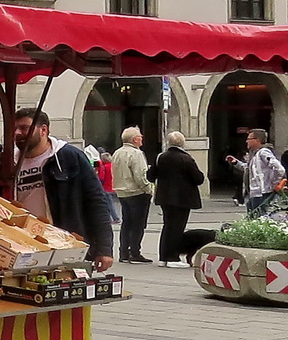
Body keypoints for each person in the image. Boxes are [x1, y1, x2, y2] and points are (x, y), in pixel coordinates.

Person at [12, 110, 116, 271]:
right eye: (15, 129)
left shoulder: (69, 157)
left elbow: (96, 201)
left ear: (43, 130)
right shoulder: (9, 163)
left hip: (64, 245)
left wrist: (104, 248)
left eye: (24, 128)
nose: (17, 133)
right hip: (22, 246)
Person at [148, 132, 204, 267]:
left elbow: (150, 176)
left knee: (167, 226)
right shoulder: (186, 159)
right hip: (183, 199)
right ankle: (173, 257)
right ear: (182, 143)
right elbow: (198, 178)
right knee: (177, 228)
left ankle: (163, 257)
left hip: (165, 197)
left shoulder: (161, 157)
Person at [111, 128, 153, 263]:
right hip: (137, 192)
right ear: (135, 139)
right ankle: (134, 252)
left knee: (127, 223)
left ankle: (123, 252)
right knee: (138, 224)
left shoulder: (117, 153)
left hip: (122, 192)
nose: (142, 138)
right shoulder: (136, 154)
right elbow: (140, 175)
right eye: (140, 136)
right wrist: (149, 189)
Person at [229, 129, 286, 215]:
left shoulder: (264, 153)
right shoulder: (255, 154)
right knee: (253, 219)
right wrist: (236, 163)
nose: (246, 141)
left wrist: (274, 183)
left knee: (260, 219)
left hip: (261, 194)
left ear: (257, 140)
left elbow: (279, 169)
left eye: (249, 139)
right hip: (253, 193)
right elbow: (248, 168)